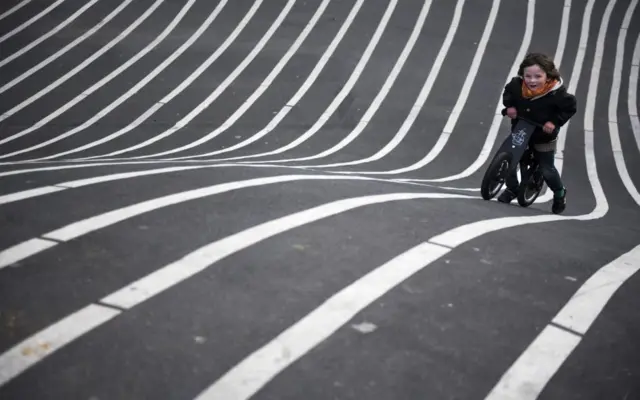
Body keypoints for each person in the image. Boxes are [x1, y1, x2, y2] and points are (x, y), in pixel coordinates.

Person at [498, 52, 577, 214]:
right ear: (522, 75)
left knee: (547, 169)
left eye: (538, 76)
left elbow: (569, 108)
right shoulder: (517, 85)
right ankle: (512, 189)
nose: (532, 80)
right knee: (509, 157)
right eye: (528, 76)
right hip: (521, 130)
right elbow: (508, 93)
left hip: (543, 136)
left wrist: (554, 122)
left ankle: (559, 193)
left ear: (548, 76)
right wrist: (510, 106)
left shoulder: (558, 94)